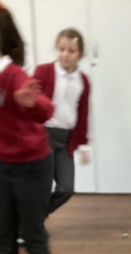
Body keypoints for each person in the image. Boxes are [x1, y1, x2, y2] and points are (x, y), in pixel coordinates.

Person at [0, 4, 56, 254]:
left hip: (31, 165)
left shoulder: (14, 75)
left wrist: (31, 104)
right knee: (3, 231)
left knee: (32, 233)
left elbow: (46, 110)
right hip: (2, 164)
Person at [33, 28, 90, 215]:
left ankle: (33, 220)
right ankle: (30, 225)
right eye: (61, 49)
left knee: (66, 188)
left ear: (79, 54)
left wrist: (83, 144)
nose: (65, 54)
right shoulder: (44, 71)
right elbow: (31, 103)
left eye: (71, 51)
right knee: (42, 187)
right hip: (44, 136)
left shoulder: (83, 81)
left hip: (66, 140)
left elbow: (83, 113)